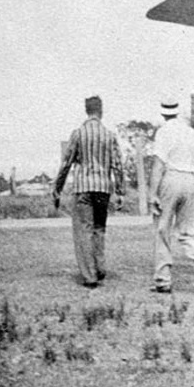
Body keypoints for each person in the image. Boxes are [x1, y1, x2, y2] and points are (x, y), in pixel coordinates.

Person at [53, 96, 125, 289]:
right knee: (99, 228)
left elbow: (66, 163)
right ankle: (100, 267)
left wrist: (57, 188)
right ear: (101, 110)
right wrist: (120, 191)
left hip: (83, 187)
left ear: (86, 110)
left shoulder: (78, 134)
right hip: (103, 187)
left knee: (83, 230)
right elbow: (117, 165)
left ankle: (90, 275)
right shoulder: (109, 135)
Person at [149, 98, 194, 293]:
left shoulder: (163, 132)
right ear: (178, 112)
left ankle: (163, 280)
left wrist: (153, 193)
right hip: (189, 180)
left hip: (171, 177)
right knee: (187, 231)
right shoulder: (191, 133)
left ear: (162, 113)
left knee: (163, 229)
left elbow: (159, 164)